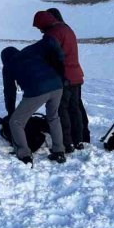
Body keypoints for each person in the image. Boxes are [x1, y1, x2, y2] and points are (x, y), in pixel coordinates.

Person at [1, 36, 68, 165]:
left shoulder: (9, 65)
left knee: (16, 122)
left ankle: (24, 155)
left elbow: (9, 92)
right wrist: (61, 68)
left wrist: (11, 112)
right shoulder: (29, 51)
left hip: (37, 89)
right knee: (53, 117)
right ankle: (59, 151)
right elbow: (51, 40)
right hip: (57, 85)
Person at [33, 9, 88, 152]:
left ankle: (66, 143)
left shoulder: (53, 34)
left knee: (61, 110)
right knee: (74, 109)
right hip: (76, 75)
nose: (40, 30)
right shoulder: (67, 29)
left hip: (63, 78)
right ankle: (78, 140)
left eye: (39, 27)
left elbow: (50, 56)